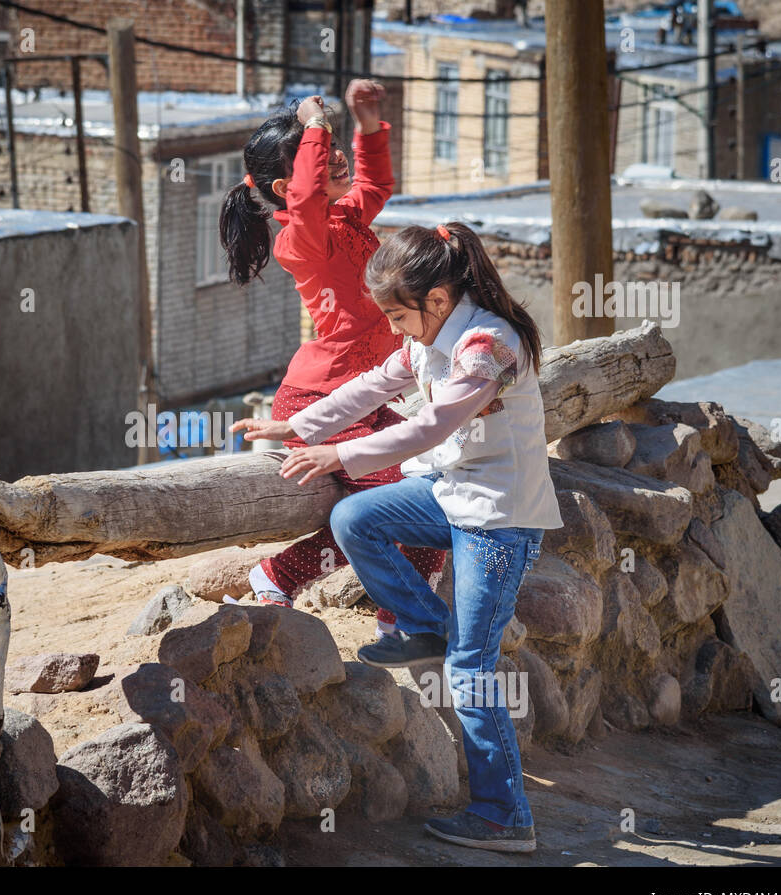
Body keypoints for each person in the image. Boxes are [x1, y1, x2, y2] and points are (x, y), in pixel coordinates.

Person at [238, 222, 562, 853]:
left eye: (396, 313)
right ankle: (423, 625)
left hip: (499, 517)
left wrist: (338, 457)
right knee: (356, 520)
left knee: (470, 670)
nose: (392, 327)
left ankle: (504, 815)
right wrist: (294, 427)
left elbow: (431, 427)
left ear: (437, 300)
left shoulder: (484, 344)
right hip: (455, 494)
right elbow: (373, 386)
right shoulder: (428, 335)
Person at [223, 81, 444, 636]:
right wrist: (314, 123)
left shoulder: (345, 218)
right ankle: (282, 578)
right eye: (319, 150)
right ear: (286, 183)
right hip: (321, 402)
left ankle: (398, 622)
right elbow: (302, 202)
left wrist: (370, 125)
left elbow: (378, 182)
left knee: (423, 494)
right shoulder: (300, 240)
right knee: (408, 503)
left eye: (330, 141)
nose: (335, 150)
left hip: (358, 400)